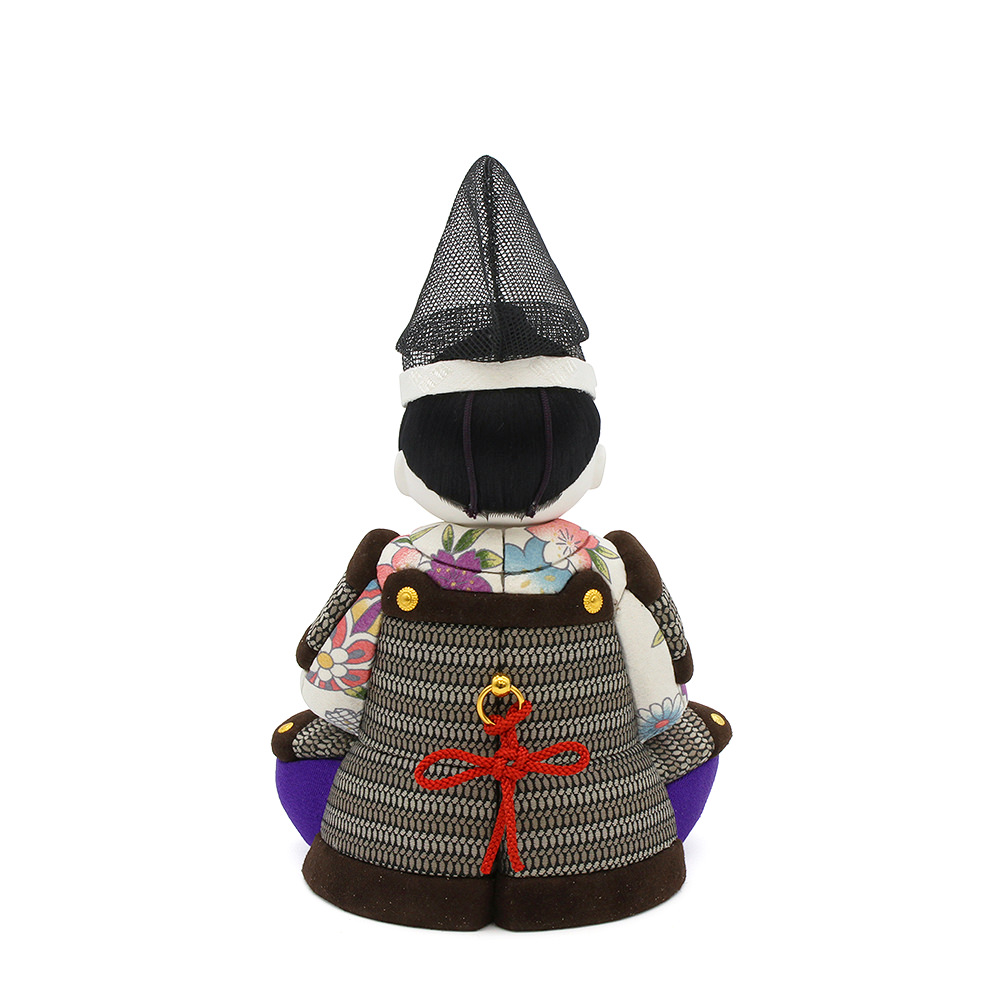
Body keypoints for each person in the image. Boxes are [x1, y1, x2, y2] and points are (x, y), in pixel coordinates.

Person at [271, 156, 731, 930]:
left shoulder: (394, 568)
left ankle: (393, 862)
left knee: (304, 748)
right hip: (593, 831)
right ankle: (607, 863)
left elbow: (328, 695)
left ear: (410, 464)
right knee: (695, 736)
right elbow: (661, 704)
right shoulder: (606, 568)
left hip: (403, 826)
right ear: (589, 459)